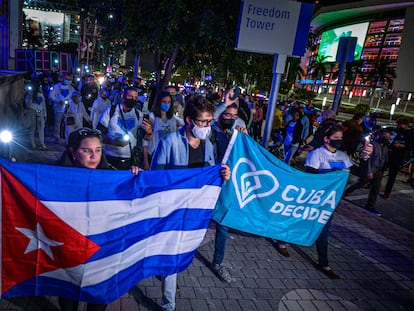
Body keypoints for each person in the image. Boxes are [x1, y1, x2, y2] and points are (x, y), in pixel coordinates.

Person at [151, 95, 230, 311]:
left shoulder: (209, 145)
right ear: (189, 120)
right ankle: (169, 304)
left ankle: (167, 272)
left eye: (210, 121)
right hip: (172, 211)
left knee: (183, 252)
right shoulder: (168, 143)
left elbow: (211, 175)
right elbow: (155, 178)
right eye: (203, 121)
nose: (207, 126)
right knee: (172, 256)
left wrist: (222, 176)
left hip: (195, 213)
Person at [57, 127, 140, 311]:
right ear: (73, 152)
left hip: (101, 253)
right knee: (68, 299)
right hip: (70, 251)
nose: (94, 156)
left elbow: (130, 191)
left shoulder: (110, 175)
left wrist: (134, 176)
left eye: (98, 150)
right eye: (87, 150)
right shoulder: (55, 176)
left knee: (97, 301)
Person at [304, 124, 354, 279]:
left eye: (340, 138)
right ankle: (281, 241)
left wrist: (366, 156)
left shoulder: (343, 156)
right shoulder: (316, 155)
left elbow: (354, 172)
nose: (339, 141)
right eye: (336, 138)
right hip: (314, 199)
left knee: (323, 230)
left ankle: (324, 263)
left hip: (329, 202)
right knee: (299, 220)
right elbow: (310, 177)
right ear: (326, 139)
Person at [210, 94, 248, 283]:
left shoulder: (236, 135)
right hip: (206, 185)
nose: (230, 118)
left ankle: (218, 262)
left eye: (234, 116)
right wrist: (223, 103)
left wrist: (244, 138)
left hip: (224, 186)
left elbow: (245, 157)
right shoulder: (209, 130)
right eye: (227, 114)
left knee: (223, 225)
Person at [98, 86, 153, 170]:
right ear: (123, 96)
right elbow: (99, 135)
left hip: (130, 160)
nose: (133, 99)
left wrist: (149, 132)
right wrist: (113, 142)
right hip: (111, 157)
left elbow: (145, 138)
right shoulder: (110, 111)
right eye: (130, 96)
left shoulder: (138, 115)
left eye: (135, 97)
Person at [344, 131, 390, 216]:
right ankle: (344, 193)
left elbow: (384, 159)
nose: (387, 139)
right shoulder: (372, 145)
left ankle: (370, 205)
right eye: (385, 136)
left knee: (375, 188)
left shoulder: (385, 147)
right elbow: (368, 159)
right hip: (371, 169)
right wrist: (369, 171)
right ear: (379, 136)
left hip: (378, 171)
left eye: (388, 137)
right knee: (360, 183)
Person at [142, 91, 184, 170]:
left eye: (169, 102)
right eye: (164, 102)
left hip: (170, 155)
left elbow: (185, 124)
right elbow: (145, 142)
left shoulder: (173, 117)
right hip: (154, 154)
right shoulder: (151, 117)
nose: (167, 104)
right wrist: (146, 161)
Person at [383, 117, 413, 199]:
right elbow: (387, 140)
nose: (400, 126)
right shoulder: (394, 131)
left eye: (402, 124)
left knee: (392, 176)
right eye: (399, 124)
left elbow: (409, 146)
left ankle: (387, 192)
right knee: (380, 170)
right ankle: (370, 184)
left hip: (398, 156)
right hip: (387, 154)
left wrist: (400, 145)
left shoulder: (409, 134)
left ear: (406, 125)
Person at [49, 73, 75, 144]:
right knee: (57, 123)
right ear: (63, 78)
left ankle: (66, 137)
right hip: (58, 108)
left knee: (67, 124)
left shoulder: (71, 88)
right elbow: (51, 96)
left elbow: (74, 97)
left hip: (67, 109)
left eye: (70, 79)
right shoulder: (56, 86)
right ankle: (56, 137)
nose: (68, 80)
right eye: (67, 79)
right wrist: (58, 101)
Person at [24, 80, 47, 150]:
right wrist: (30, 97)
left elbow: (43, 105)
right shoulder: (29, 94)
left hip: (40, 113)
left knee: (41, 128)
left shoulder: (40, 94)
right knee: (32, 128)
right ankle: (32, 143)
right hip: (31, 113)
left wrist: (45, 114)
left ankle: (42, 143)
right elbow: (27, 104)